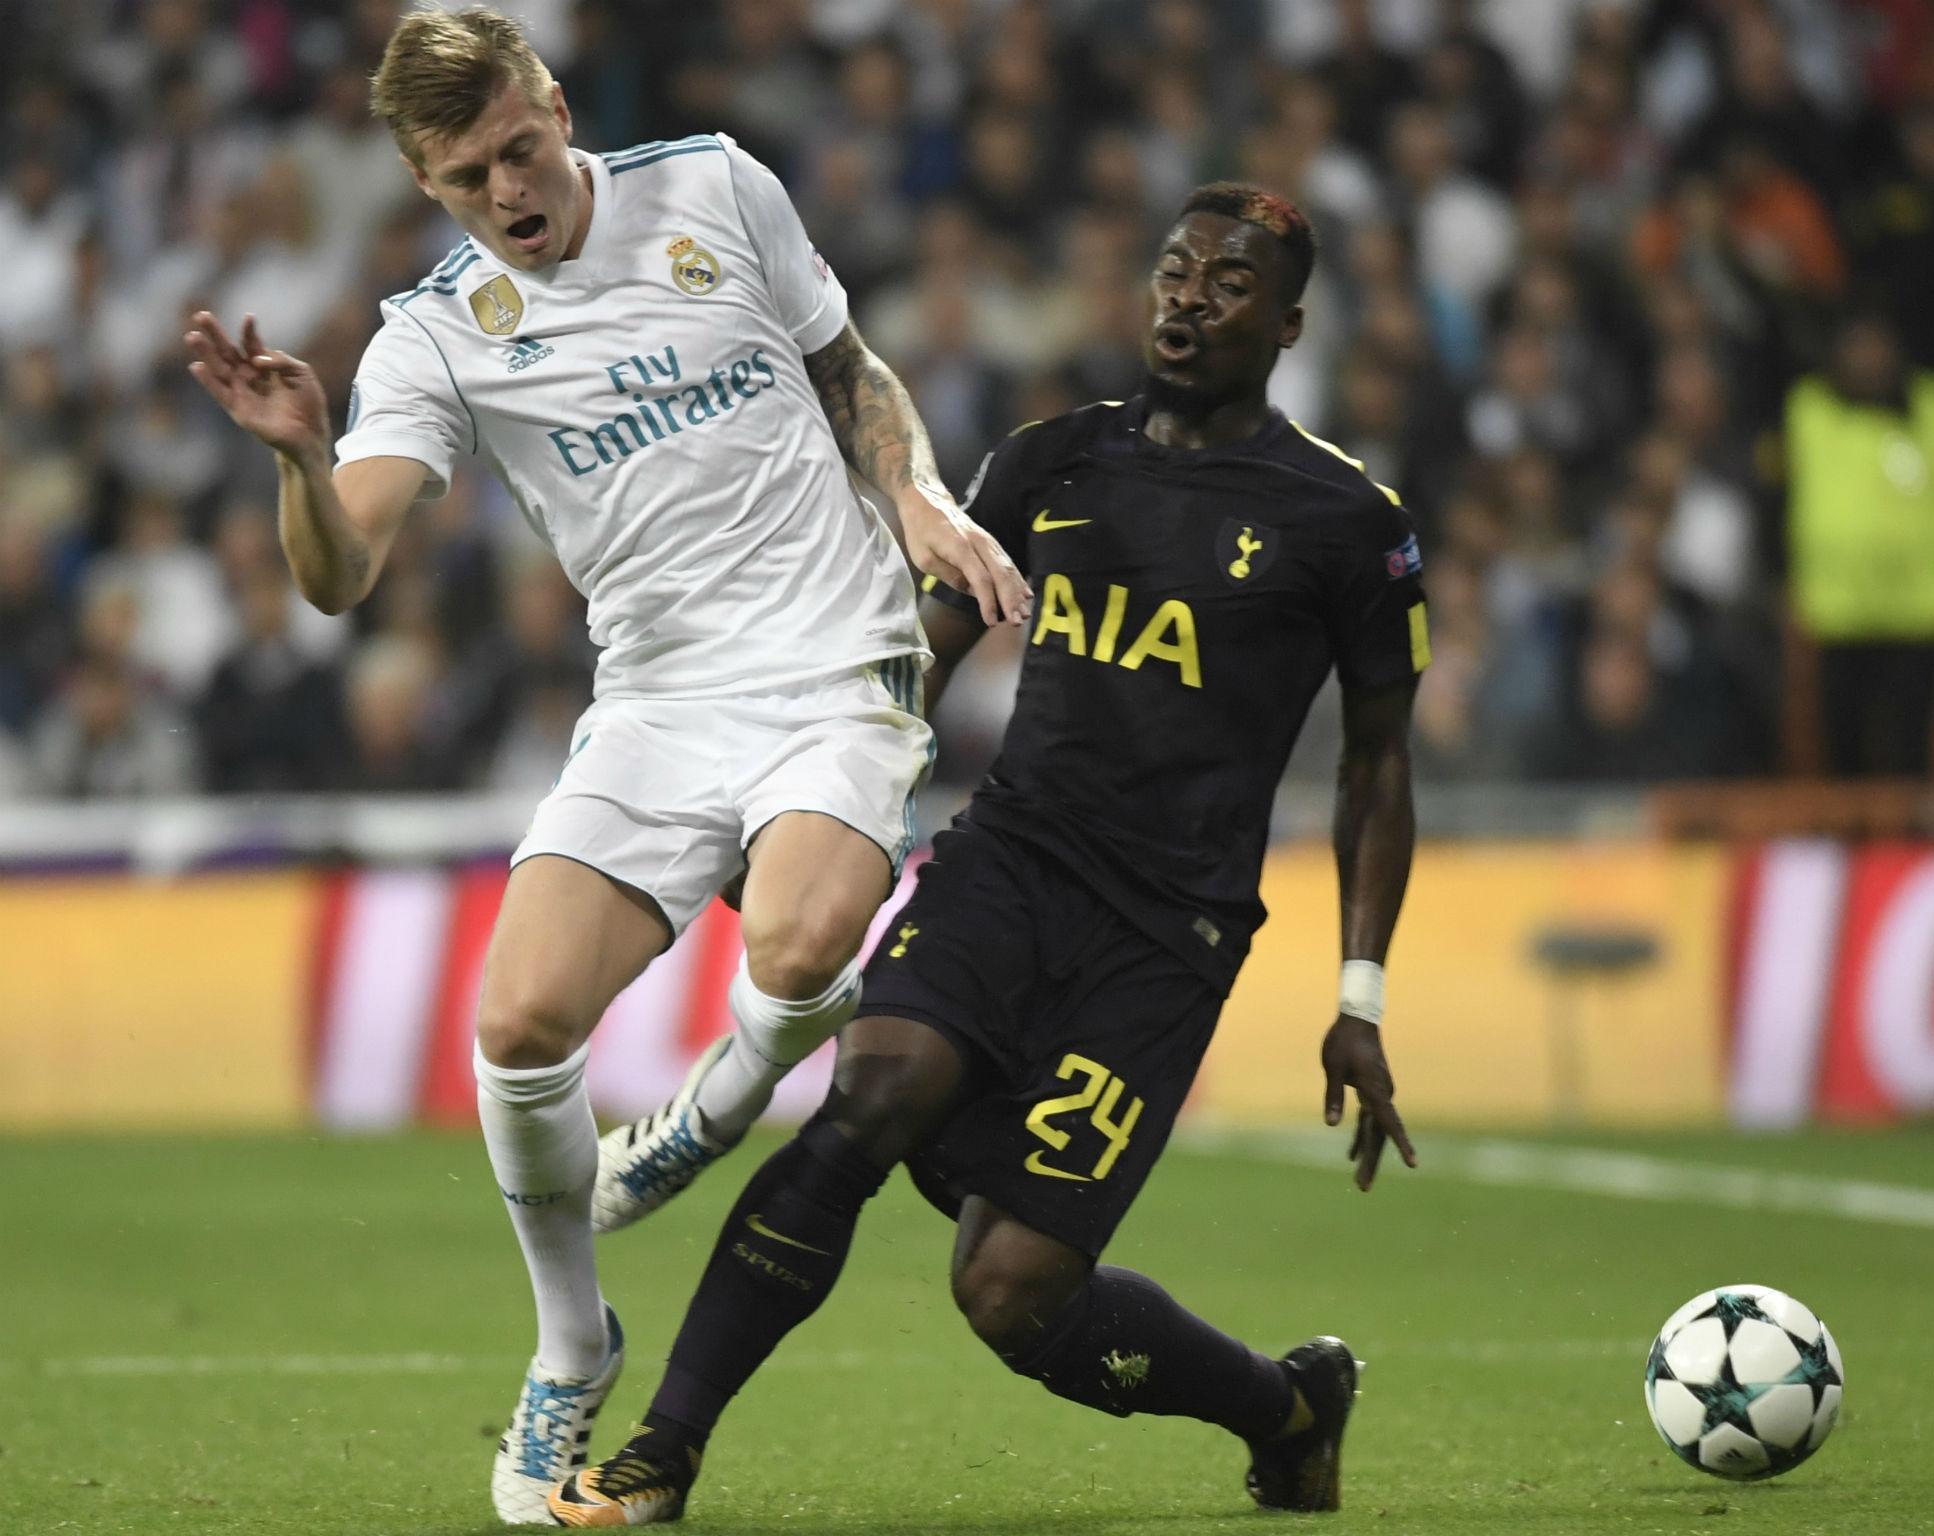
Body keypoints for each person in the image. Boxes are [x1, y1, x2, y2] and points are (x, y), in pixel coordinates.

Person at [180, 8, 1027, 1523]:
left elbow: (850, 370)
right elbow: (338, 576)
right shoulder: (432, 334)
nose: (509, 191)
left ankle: (716, 1102)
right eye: (465, 177)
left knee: (805, 933)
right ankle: (575, 1340)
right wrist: (305, 467)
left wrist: (924, 503)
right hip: (655, 702)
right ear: (424, 182)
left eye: (520, 147)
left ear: (556, 107)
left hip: (837, 660)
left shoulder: (712, 185)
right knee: (515, 1023)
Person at [557, 183, 1426, 1526]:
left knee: (1011, 1293)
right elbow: (907, 667)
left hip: (1167, 941)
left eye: (1231, 282)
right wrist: (810, 812)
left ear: (1290, 321)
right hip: (1008, 865)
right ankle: (662, 1453)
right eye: (1176, 270)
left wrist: (1358, 995)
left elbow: (1378, 766)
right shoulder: (1048, 464)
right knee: (866, 1104)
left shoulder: (1346, 524)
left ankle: (1291, 1407)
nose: (1189, 297)